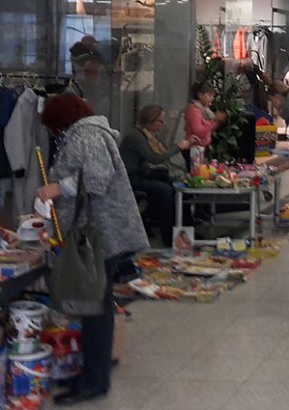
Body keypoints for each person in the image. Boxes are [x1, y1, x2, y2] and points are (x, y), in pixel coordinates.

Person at [36, 93, 148, 406]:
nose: (54, 133)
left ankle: (95, 380)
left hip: (100, 234)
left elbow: (97, 180)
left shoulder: (86, 135)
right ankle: (90, 372)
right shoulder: (89, 133)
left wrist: (56, 188)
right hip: (99, 233)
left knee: (95, 309)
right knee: (93, 307)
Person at [119, 105, 191, 247]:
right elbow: (155, 158)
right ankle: (168, 236)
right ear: (151, 121)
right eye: (160, 121)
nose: (163, 124)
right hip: (130, 177)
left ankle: (186, 229)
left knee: (180, 186)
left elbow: (159, 155)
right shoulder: (136, 137)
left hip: (142, 173)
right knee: (165, 190)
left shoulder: (150, 136)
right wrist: (179, 147)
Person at [184, 82, 227, 151]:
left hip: (200, 148)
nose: (212, 98)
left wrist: (218, 120)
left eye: (213, 96)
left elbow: (207, 127)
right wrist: (214, 121)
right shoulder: (194, 109)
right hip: (193, 149)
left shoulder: (204, 110)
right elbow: (198, 132)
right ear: (200, 95)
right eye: (209, 95)